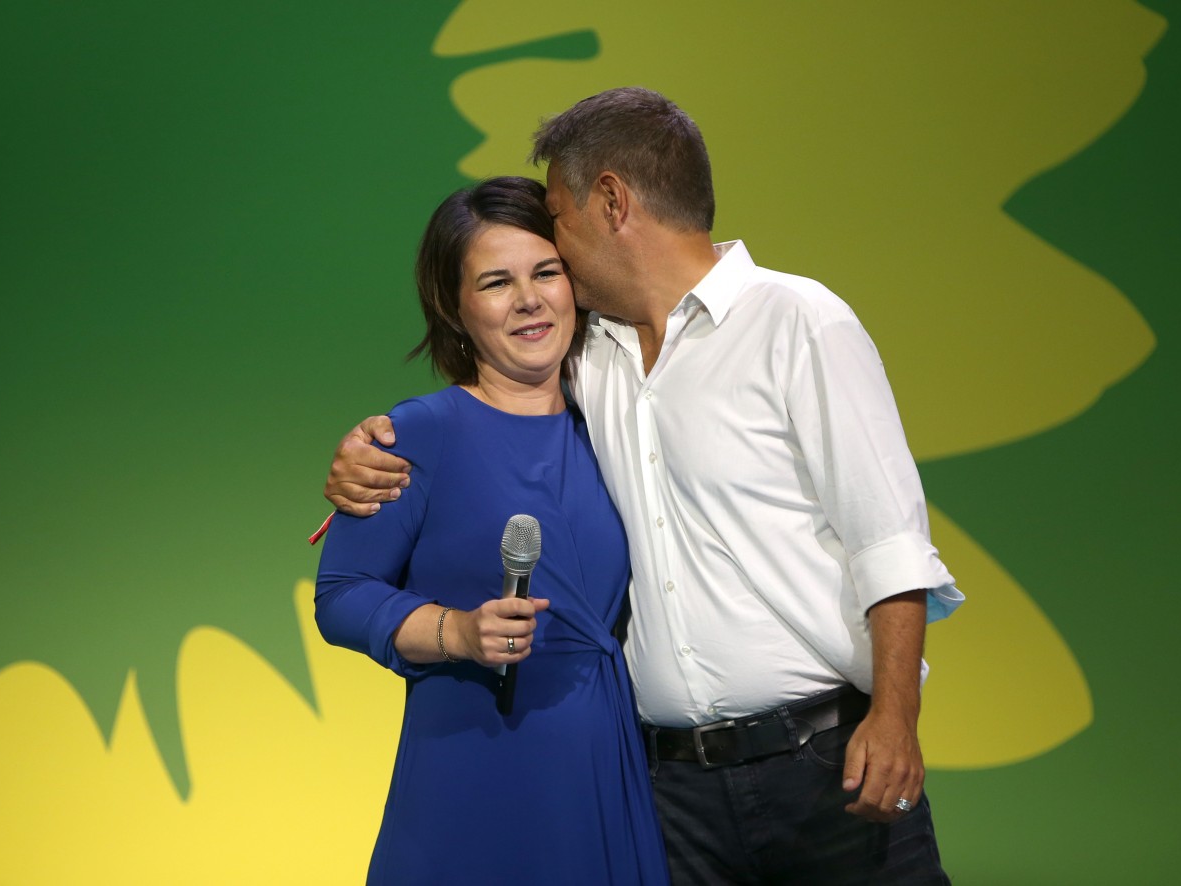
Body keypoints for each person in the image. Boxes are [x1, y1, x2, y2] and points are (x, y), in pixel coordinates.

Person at [325, 89, 964, 884]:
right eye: (497, 280)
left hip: (821, 764)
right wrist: (369, 456)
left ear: (612, 202)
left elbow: (889, 541)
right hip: (671, 793)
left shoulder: (795, 322)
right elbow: (407, 516)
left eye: (553, 233)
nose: (534, 290)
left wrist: (898, 716)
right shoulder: (599, 363)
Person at [314, 175, 670, 885]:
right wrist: (457, 632)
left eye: (547, 272)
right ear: (454, 306)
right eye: (496, 283)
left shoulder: (616, 423)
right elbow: (343, 595)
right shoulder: (416, 433)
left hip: (609, 762)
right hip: (473, 762)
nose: (530, 299)